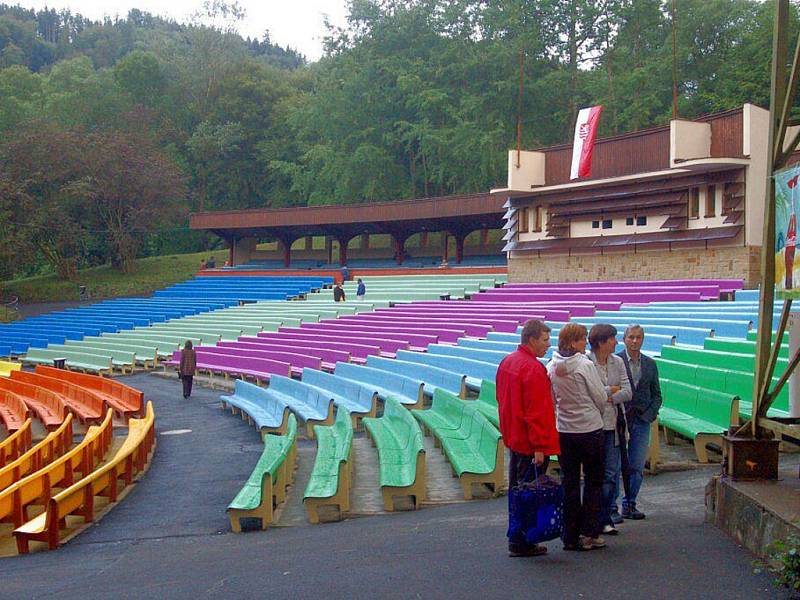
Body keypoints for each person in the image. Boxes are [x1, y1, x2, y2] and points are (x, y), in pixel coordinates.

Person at [496, 319, 560, 558]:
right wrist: (539, 447)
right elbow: (536, 413)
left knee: (518, 490)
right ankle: (523, 539)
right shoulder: (532, 368)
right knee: (529, 492)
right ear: (532, 340)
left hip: (515, 437)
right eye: (545, 340)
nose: (548, 345)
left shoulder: (508, 362)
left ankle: (517, 536)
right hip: (530, 443)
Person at [547, 323, 608, 552]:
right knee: (594, 482)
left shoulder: (551, 366)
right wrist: (596, 414)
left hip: (565, 430)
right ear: (573, 342)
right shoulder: (584, 365)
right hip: (589, 429)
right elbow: (599, 396)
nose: (585, 343)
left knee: (569, 483)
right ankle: (589, 532)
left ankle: (569, 535)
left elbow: (552, 399)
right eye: (582, 339)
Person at [586, 324, 631, 535]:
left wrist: (607, 395)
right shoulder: (587, 361)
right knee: (595, 473)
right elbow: (588, 393)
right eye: (612, 338)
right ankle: (593, 518)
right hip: (593, 425)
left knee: (611, 473)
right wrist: (610, 392)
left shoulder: (618, 362)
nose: (616, 342)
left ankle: (605, 517)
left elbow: (628, 391)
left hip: (613, 424)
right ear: (601, 342)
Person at [617, 325, 662, 520]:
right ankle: (611, 507)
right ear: (624, 339)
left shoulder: (650, 364)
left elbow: (657, 395)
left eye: (639, 338)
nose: (635, 341)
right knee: (614, 465)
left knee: (636, 464)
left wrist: (649, 414)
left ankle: (630, 503)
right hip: (620, 419)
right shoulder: (615, 361)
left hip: (642, 419)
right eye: (631, 337)